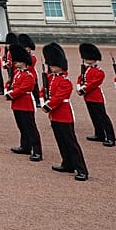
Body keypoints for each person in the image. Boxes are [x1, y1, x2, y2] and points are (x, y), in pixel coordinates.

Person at [41, 43, 89, 180]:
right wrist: (43, 100)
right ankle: (67, 163)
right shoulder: (50, 78)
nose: (52, 68)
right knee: (60, 141)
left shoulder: (65, 81)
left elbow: (59, 97)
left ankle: (81, 169)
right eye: (51, 65)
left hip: (63, 114)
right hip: (54, 115)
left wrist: (48, 105)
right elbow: (43, 91)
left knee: (70, 143)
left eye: (54, 65)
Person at [7, 43, 42, 161]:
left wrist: (11, 93)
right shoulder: (17, 73)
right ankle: (25, 146)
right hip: (17, 103)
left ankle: (37, 150)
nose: (15, 64)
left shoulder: (28, 75)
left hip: (25, 103)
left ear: (24, 62)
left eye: (18, 62)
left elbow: (24, 88)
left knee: (30, 127)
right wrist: (8, 89)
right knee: (21, 126)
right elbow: (12, 84)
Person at [77, 43, 115, 147]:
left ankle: (111, 137)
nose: (87, 60)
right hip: (88, 97)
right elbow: (80, 78)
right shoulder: (86, 69)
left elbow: (93, 83)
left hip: (96, 97)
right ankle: (99, 134)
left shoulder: (99, 71)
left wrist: (83, 89)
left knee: (102, 117)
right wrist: (78, 86)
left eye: (89, 58)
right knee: (94, 116)